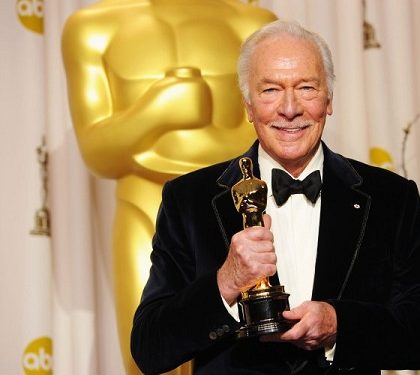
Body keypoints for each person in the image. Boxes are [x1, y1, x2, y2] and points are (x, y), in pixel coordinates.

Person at [131, 20, 420, 374]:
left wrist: (338, 323)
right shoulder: (189, 200)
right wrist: (226, 281)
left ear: (328, 99)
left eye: (306, 88)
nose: (289, 109)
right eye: (270, 90)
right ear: (248, 106)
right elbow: (149, 348)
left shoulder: (391, 199)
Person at [61, 1, 276, 374]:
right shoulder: (93, 27)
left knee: (251, 355)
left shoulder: (252, 24)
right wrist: (157, 111)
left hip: (232, 214)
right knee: (149, 355)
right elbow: (97, 151)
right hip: (143, 206)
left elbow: (270, 137)